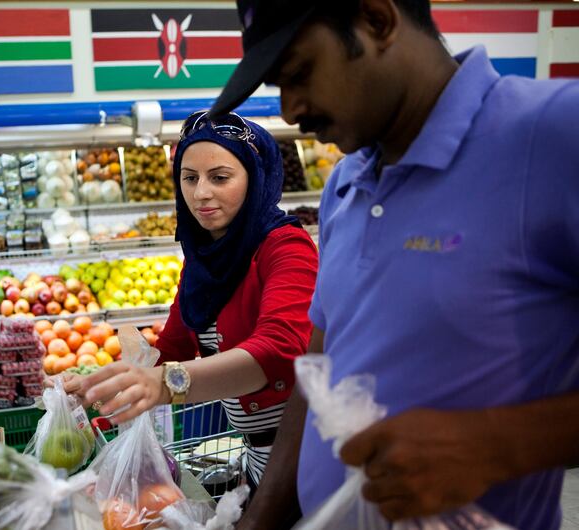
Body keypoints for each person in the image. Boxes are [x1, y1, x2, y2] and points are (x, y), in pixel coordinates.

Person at [207, 0, 579, 529]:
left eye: (299, 74)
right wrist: (261, 518)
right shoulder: (344, 185)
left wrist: (495, 445)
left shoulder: (553, 134)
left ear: (378, 21)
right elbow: (319, 373)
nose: (290, 109)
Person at [76, 111, 319, 493]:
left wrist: (167, 384)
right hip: (259, 460)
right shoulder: (203, 260)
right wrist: (95, 386)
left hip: (311, 457)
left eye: (220, 178)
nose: (201, 193)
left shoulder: (285, 246)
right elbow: (169, 350)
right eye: (189, 178)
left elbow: (280, 348)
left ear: (255, 179)